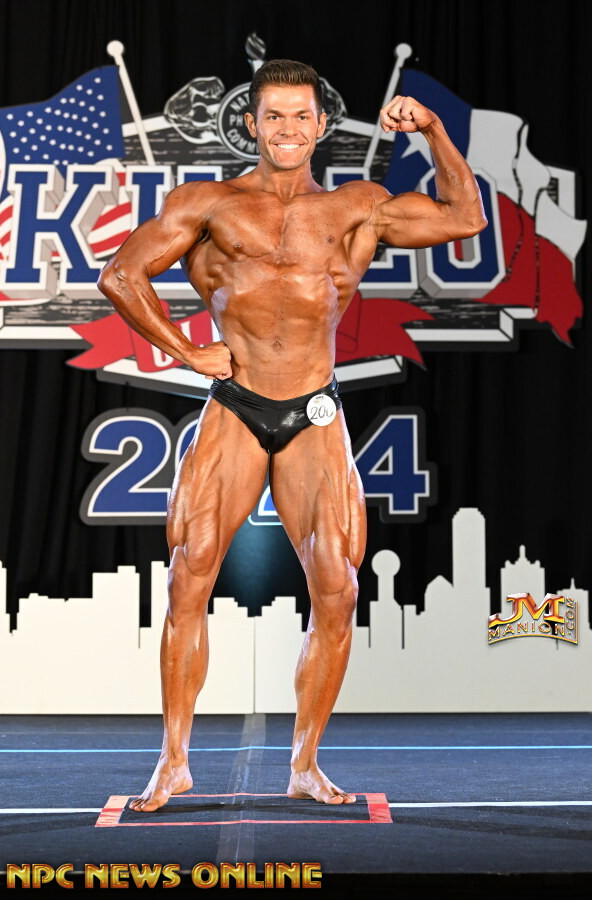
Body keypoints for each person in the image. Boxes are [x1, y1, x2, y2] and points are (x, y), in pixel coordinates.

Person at [97, 59, 487, 811]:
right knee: (189, 574)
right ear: (251, 123)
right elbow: (122, 276)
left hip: (313, 410)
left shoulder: (356, 207)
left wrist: (436, 129)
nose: (286, 129)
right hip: (235, 405)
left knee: (338, 587)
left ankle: (305, 764)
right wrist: (186, 353)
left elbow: (464, 218)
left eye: (300, 116)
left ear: (320, 125)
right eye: (273, 115)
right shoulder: (208, 203)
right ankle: (173, 761)